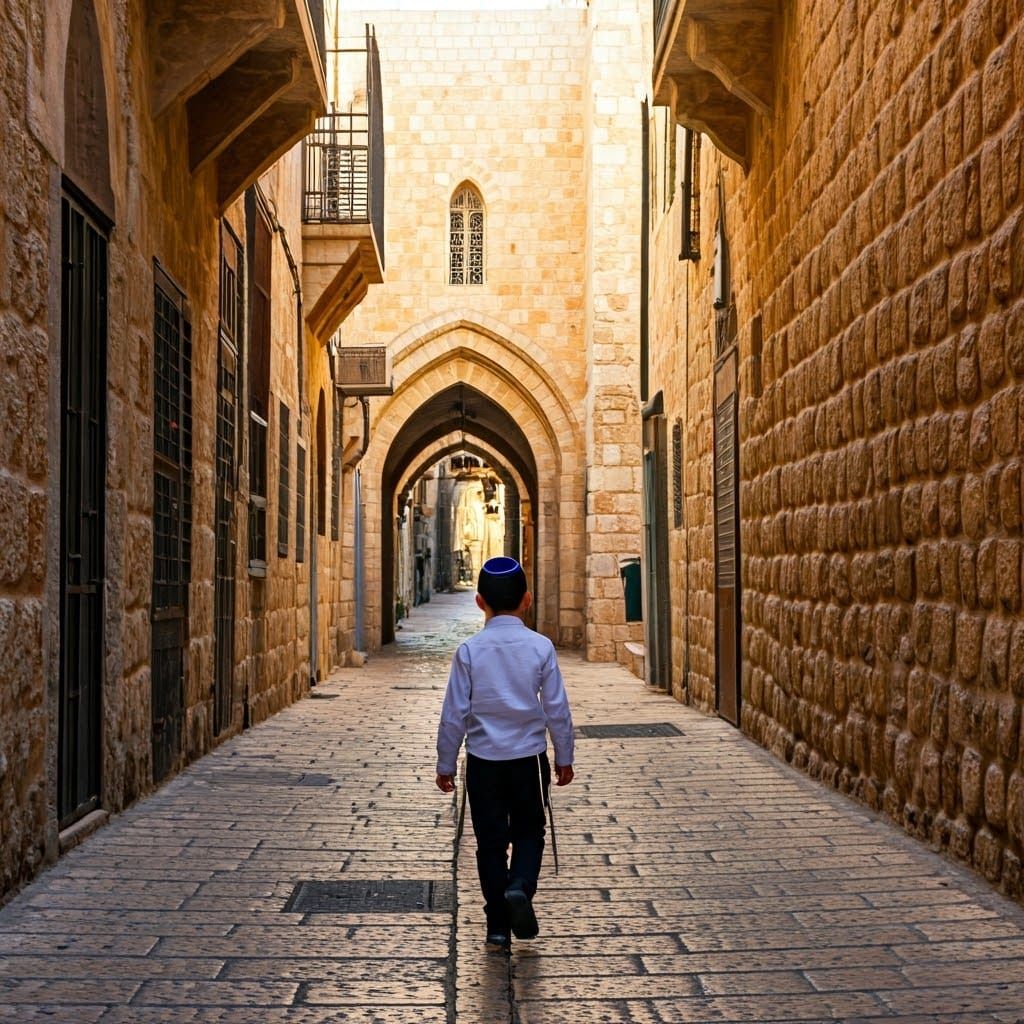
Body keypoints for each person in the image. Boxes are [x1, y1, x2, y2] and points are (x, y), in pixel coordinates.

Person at [435, 556, 575, 949]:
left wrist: (446, 762)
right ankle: (520, 887)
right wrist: (563, 756)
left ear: (480, 602)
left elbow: (454, 714)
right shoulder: (540, 647)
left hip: (483, 763)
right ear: (527, 600)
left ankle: (497, 923)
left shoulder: (469, 651)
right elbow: (557, 709)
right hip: (528, 761)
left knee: (490, 843)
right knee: (530, 832)